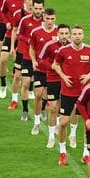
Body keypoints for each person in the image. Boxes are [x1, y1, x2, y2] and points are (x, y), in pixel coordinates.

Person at [52, 25, 90, 166]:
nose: (77, 36)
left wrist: (89, 75)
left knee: (87, 123)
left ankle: (85, 153)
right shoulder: (63, 51)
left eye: (79, 34)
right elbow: (55, 65)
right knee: (64, 122)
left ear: (83, 35)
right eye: (75, 34)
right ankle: (62, 152)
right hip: (67, 92)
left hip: (84, 94)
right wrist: (64, 77)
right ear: (71, 36)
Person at [39, 23, 71, 148]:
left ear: (69, 34)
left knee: (63, 108)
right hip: (52, 79)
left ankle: (61, 129)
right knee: (53, 108)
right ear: (57, 34)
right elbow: (41, 60)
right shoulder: (50, 45)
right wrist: (50, 66)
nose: (64, 36)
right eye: (61, 33)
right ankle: (51, 136)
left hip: (67, 81)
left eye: (66, 34)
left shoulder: (72, 47)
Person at [28, 7, 59, 136]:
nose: (50, 21)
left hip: (54, 72)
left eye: (52, 19)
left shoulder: (59, 33)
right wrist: (34, 61)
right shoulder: (36, 32)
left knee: (54, 99)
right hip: (40, 69)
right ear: (43, 18)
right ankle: (36, 122)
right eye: (47, 19)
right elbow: (32, 48)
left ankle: (56, 123)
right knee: (38, 94)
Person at [15, 0, 46, 121]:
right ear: (32, 7)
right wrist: (28, 40)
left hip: (42, 60)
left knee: (43, 89)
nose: (38, 11)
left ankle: (42, 108)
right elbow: (19, 34)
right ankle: (25, 110)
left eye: (40, 8)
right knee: (26, 83)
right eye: (36, 8)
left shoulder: (46, 21)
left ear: (43, 9)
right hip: (27, 56)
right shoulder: (25, 20)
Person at [7, 0, 37, 109]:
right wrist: (12, 47)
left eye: (32, 0)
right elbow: (15, 31)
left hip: (36, 53)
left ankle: (31, 90)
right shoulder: (19, 14)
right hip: (22, 51)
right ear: (25, 1)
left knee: (35, 77)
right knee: (17, 76)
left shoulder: (42, 16)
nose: (30, 2)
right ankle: (14, 99)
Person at [0, 0, 28, 98]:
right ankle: (3, 84)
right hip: (11, 34)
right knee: (3, 60)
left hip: (23, 40)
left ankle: (25, 89)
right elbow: (2, 12)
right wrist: (6, 23)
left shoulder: (30, 3)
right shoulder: (8, 0)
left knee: (21, 67)